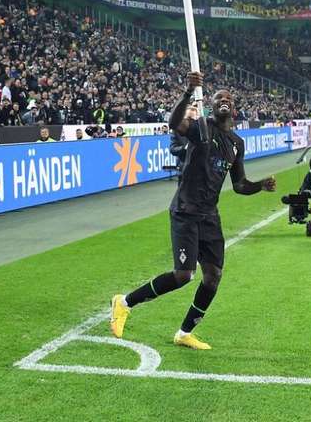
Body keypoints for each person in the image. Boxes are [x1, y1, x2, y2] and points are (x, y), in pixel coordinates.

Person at [110, 71, 276, 350]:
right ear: (211, 105)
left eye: (228, 98)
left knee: (213, 277)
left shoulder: (236, 143)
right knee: (183, 276)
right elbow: (174, 123)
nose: (224, 100)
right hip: (185, 211)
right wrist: (189, 90)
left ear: (234, 107)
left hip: (210, 216)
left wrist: (260, 186)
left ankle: (184, 333)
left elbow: (239, 185)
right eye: (218, 98)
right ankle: (124, 302)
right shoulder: (201, 127)